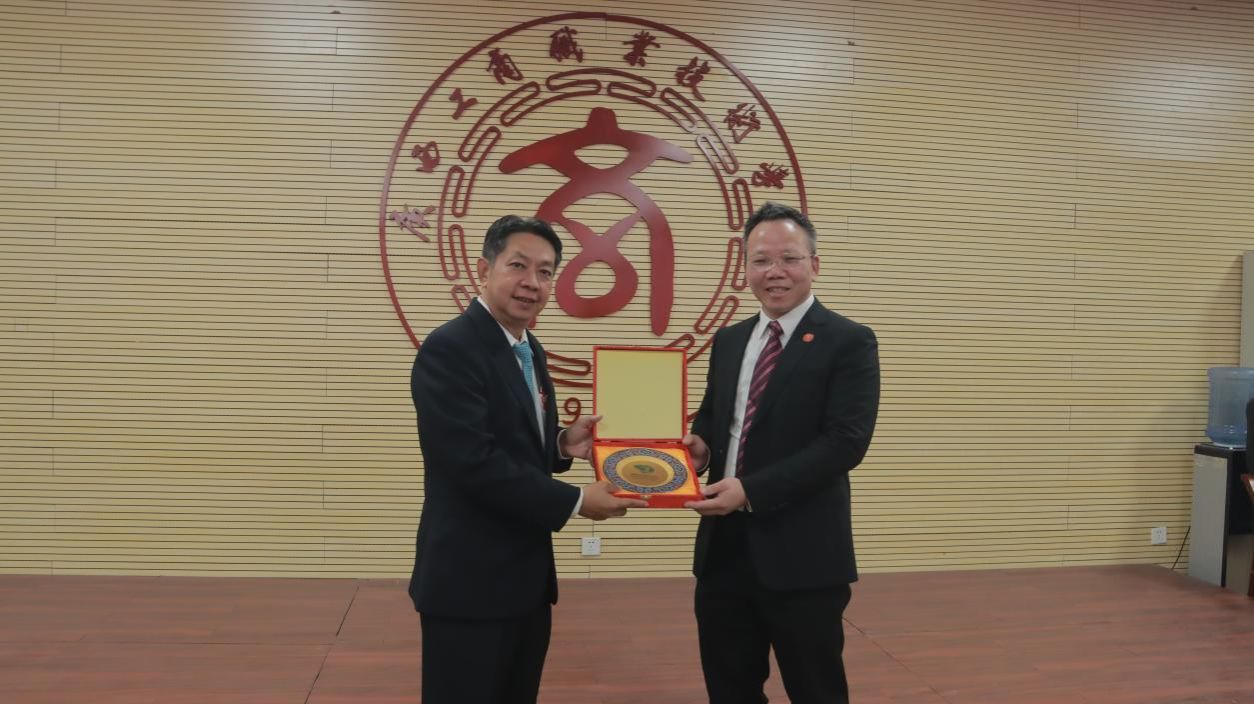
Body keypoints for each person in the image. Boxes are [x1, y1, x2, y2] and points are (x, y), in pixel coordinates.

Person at [408, 214, 647, 704]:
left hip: (526, 582)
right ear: (484, 269)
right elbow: (472, 462)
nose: (532, 283)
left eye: (545, 271)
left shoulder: (527, 347)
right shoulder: (450, 348)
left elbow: (510, 439)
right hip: (468, 583)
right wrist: (577, 500)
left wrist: (559, 443)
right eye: (518, 265)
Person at [683, 202, 880, 704]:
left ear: (814, 264)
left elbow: (845, 443)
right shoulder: (729, 341)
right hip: (724, 552)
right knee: (729, 688)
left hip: (804, 554)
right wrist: (699, 448)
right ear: (745, 268)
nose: (775, 271)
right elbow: (714, 418)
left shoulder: (849, 342)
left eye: (789, 258)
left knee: (815, 689)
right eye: (761, 260)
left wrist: (749, 490)